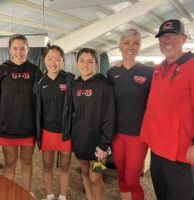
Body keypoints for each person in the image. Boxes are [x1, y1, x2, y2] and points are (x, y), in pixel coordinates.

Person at [140, 19, 194, 200]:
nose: (166, 41)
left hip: (183, 155)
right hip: (158, 151)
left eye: (172, 36)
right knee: (161, 195)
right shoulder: (159, 69)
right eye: (162, 37)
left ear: (184, 38)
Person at [0, 34, 42, 193]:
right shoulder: (1, 70)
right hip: (8, 127)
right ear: (9, 49)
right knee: (10, 164)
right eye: (15, 48)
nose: (18, 52)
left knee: (26, 162)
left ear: (28, 49)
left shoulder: (35, 70)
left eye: (22, 48)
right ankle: (8, 194)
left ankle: (26, 193)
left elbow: (40, 101)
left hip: (28, 126)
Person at [107, 29, 153, 200]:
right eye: (127, 42)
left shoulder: (149, 72)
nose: (131, 47)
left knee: (132, 179)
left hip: (138, 136)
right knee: (121, 175)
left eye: (136, 43)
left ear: (140, 47)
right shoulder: (112, 72)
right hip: (116, 134)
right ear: (119, 46)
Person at [72, 48, 115, 200]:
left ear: (96, 64)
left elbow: (110, 116)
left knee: (96, 177)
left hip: (99, 145)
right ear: (76, 63)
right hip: (80, 141)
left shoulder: (105, 85)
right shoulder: (75, 85)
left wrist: (104, 144)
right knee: (84, 173)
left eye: (90, 61)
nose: (85, 65)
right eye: (82, 61)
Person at [35, 45, 74, 200]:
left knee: (65, 167)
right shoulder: (39, 82)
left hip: (66, 132)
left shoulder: (70, 79)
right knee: (47, 166)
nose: (53, 62)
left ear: (63, 61)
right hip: (47, 132)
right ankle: (50, 195)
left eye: (57, 59)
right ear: (44, 60)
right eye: (50, 59)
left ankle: (63, 196)